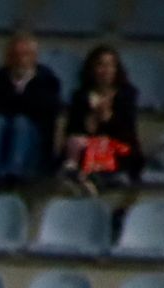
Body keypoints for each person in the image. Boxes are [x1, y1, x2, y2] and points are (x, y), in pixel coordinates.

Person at [0, 34, 63, 192]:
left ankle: (15, 173)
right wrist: (21, 102)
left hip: (35, 147)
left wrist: (15, 103)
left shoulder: (48, 82)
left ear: (34, 58)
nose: (20, 60)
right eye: (15, 55)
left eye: (25, 55)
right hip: (3, 136)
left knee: (21, 122)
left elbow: (45, 112)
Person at [59, 45, 143, 193]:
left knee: (101, 145)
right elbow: (71, 130)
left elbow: (128, 133)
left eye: (110, 65)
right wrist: (89, 121)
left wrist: (108, 118)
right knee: (77, 143)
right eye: (100, 65)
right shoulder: (80, 97)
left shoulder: (127, 95)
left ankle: (93, 179)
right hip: (86, 147)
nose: (105, 70)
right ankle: (78, 176)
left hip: (118, 149)